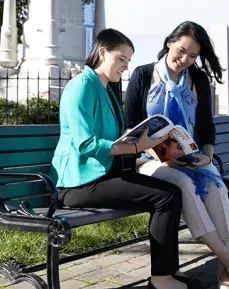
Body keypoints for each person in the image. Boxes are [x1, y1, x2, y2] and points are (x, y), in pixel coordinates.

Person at [51, 28, 189, 289]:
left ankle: (167, 274)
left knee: (172, 192)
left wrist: (143, 140)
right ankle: (161, 279)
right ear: (102, 53)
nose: (126, 67)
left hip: (102, 174)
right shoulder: (82, 87)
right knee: (166, 197)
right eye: (121, 59)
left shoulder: (105, 88)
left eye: (128, 60)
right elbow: (85, 145)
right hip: (76, 184)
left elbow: (111, 138)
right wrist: (136, 146)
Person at [124, 21, 229, 289]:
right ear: (169, 42)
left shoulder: (198, 79)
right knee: (185, 184)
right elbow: (130, 128)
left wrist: (207, 155)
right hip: (147, 160)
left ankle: (224, 271)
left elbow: (205, 127)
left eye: (193, 56)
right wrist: (159, 154)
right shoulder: (143, 74)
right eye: (181, 51)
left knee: (216, 185)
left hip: (189, 157)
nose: (185, 60)